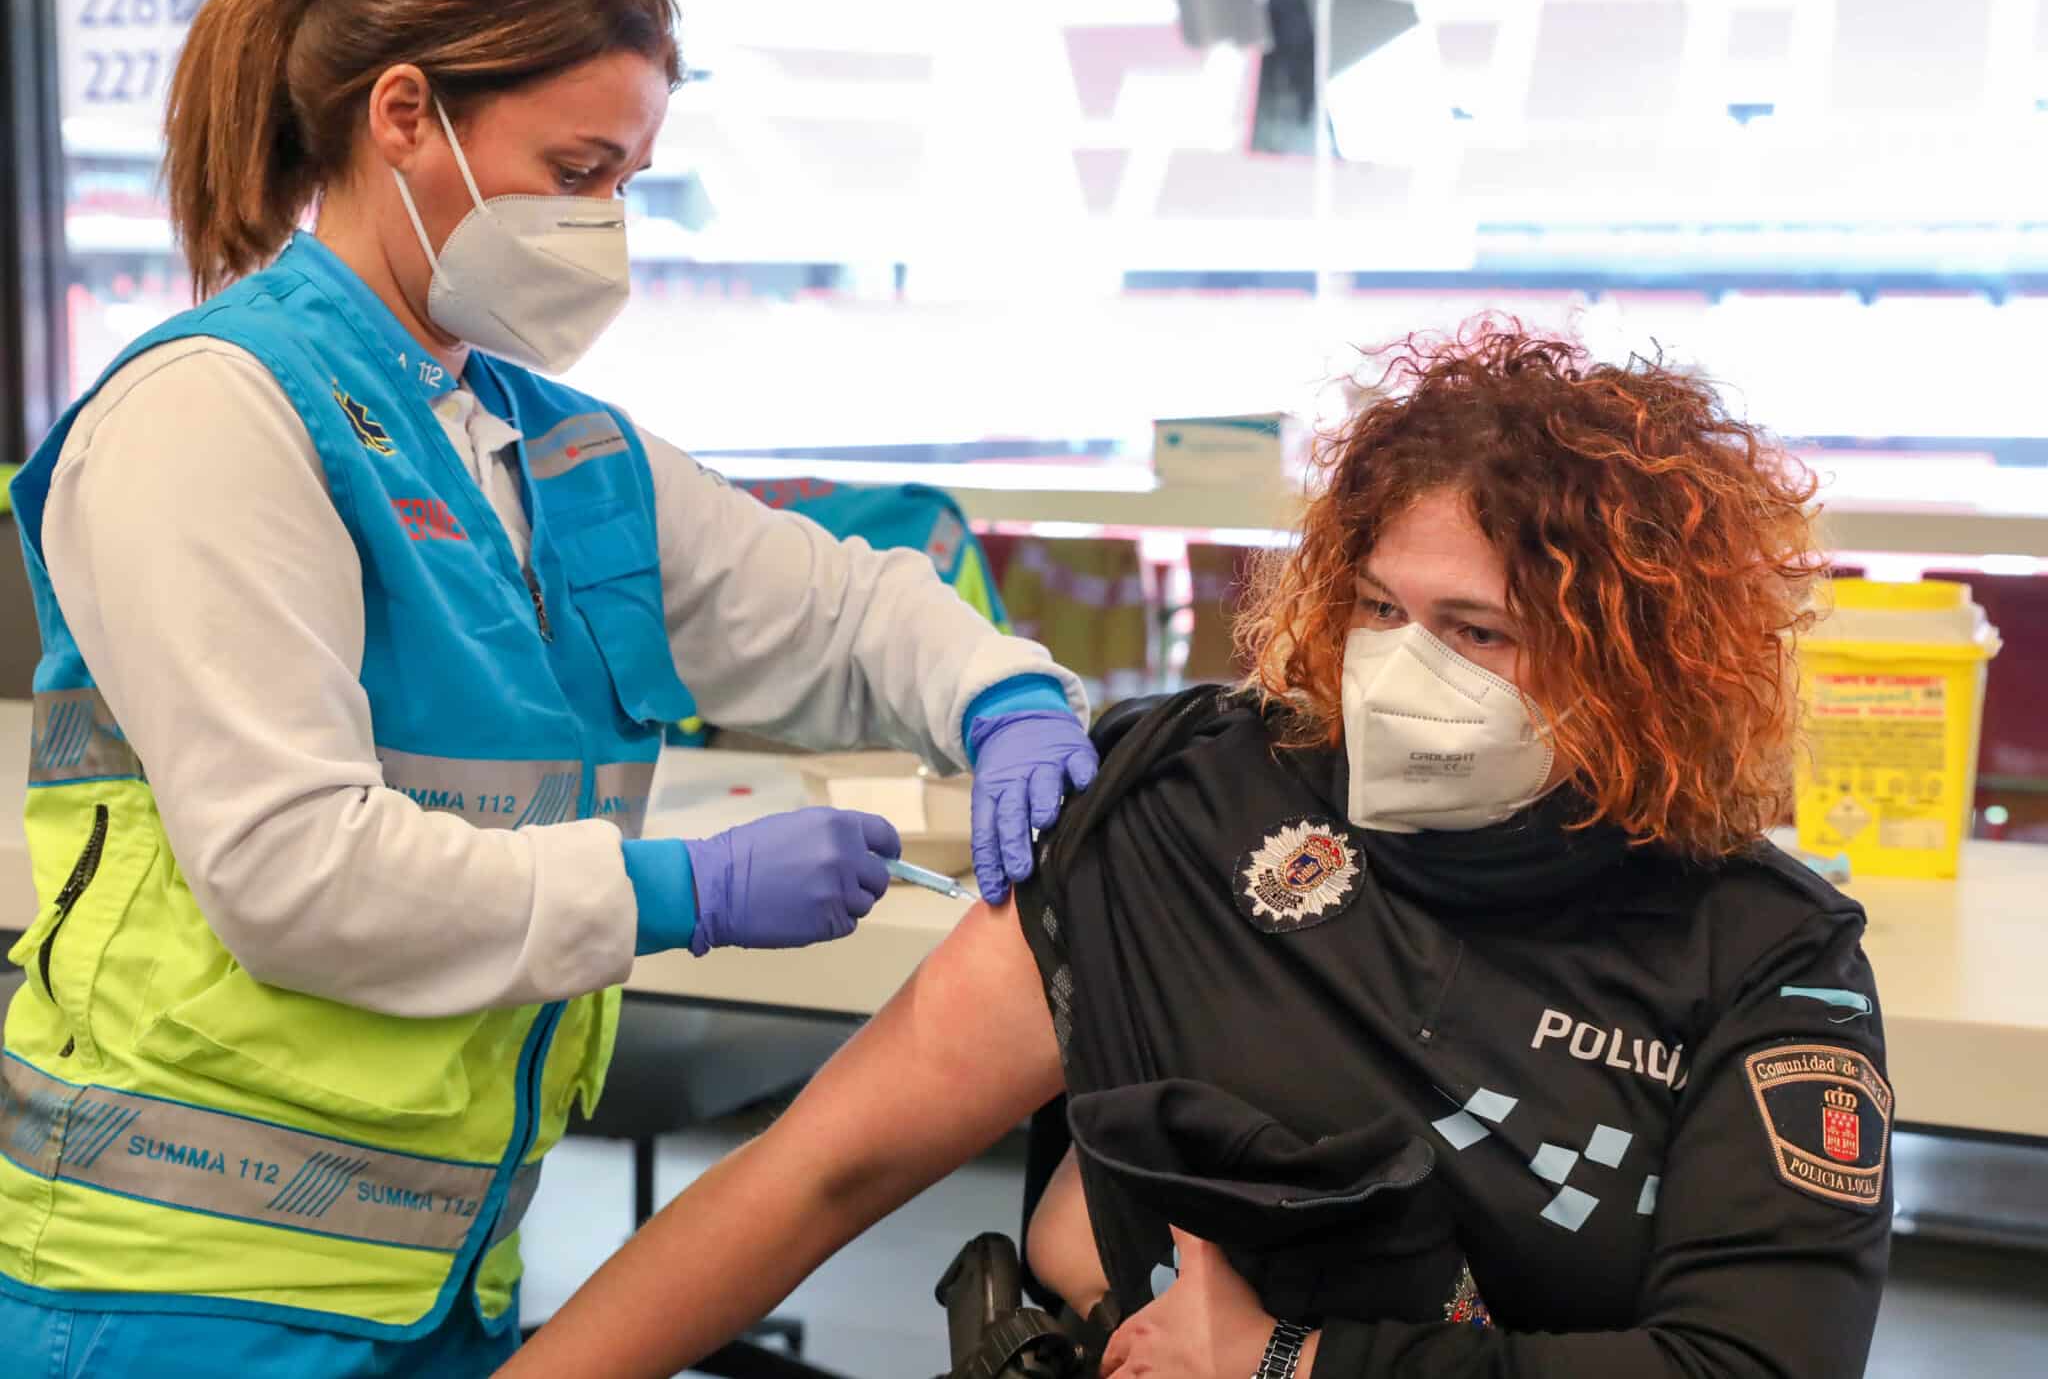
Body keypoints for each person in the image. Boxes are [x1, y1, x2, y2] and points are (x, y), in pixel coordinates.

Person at [0, 0, 1096, 1378]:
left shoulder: (554, 446)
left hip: (437, 1274)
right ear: (403, 115)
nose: (603, 227)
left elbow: (838, 609)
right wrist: (677, 891)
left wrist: (1002, 697)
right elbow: (290, 874)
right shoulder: (215, 414)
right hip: (177, 1281)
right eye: (574, 168)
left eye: (628, 182)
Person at [503, 324, 1892, 1379]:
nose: (1400, 673)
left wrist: (1295, 1364)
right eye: (1379, 609)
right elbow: (825, 1170)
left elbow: (1751, 1365)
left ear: (1636, 671)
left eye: (1477, 632)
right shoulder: (1193, 802)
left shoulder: (1759, 951)